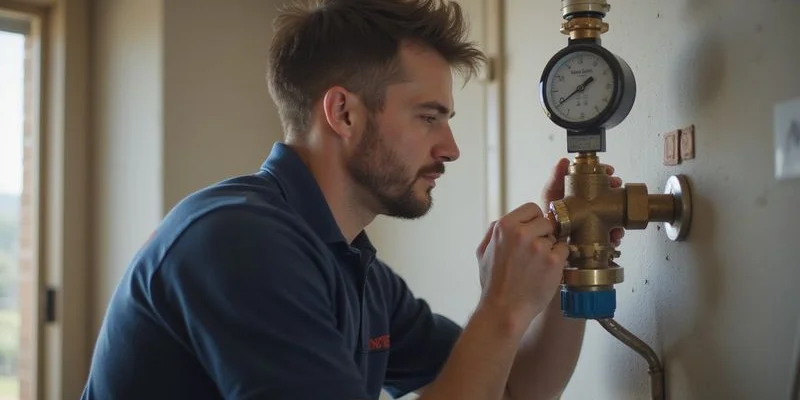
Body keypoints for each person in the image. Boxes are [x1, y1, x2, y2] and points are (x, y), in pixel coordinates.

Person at [81, 0, 623, 399]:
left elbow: (514, 392)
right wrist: (500, 308)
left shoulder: (352, 265)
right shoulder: (238, 243)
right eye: (428, 117)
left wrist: (568, 263)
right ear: (343, 113)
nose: (451, 148)